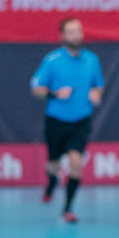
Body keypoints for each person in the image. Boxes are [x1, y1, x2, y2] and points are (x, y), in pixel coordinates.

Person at [31, 17, 104, 223]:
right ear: (63, 36)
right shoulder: (52, 60)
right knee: (53, 164)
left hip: (81, 120)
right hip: (56, 120)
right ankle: (52, 182)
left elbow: (98, 84)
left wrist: (96, 94)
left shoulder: (92, 60)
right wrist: (54, 93)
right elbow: (36, 89)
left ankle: (68, 209)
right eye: (71, 32)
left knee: (75, 162)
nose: (76, 35)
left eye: (78, 31)